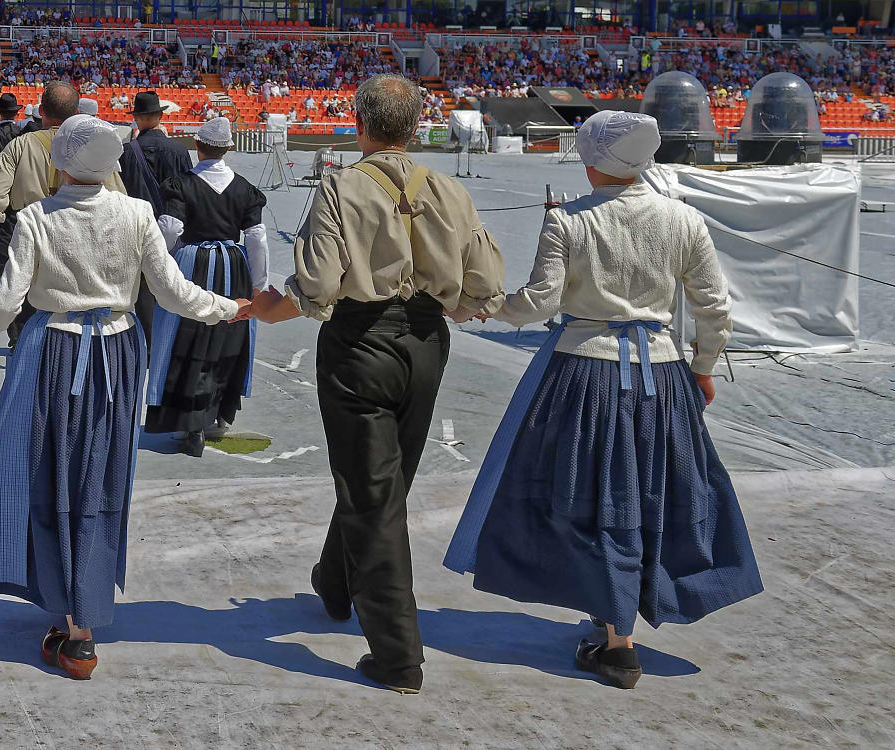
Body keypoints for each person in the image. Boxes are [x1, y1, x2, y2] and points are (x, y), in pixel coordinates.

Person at [442, 109, 761, 690]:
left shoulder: (568, 220)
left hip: (584, 375)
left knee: (590, 496)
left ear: (592, 162)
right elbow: (714, 309)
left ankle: (617, 646)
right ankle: (624, 611)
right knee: (651, 491)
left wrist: (481, 306)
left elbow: (540, 303)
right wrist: (704, 368)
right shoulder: (685, 219)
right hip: (661, 376)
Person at [0, 115, 248, 678]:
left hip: (54, 349)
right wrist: (230, 307)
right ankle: (84, 616)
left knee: (50, 471)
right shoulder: (136, 213)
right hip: (117, 352)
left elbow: (7, 300)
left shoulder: (37, 216)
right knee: (101, 476)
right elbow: (173, 291)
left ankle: (67, 613)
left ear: (59, 162)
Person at [252, 75, 505, 694]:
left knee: (372, 490)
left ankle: (397, 655)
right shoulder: (448, 189)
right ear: (416, 128)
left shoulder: (341, 186)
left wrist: (264, 310)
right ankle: (336, 582)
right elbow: (483, 284)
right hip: (426, 343)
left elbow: (317, 284)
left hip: (360, 342)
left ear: (360, 126)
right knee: (384, 482)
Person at [146, 116, 267, 456]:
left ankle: (190, 423)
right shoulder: (245, 188)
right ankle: (221, 412)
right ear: (228, 148)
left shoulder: (181, 184)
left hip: (194, 264)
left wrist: (161, 260)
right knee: (230, 334)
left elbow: (170, 228)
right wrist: (258, 284)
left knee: (186, 336)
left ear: (197, 146)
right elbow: (257, 238)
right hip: (234, 264)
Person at [0, 82, 121, 295]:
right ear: (77, 112)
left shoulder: (20, 145)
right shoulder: (92, 145)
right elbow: (116, 195)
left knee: (20, 301)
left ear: (41, 111)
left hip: (27, 232)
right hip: (79, 233)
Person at [130, 90, 191, 191]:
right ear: (161, 115)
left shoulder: (127, 151)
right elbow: (188, 187)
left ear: (135, 117)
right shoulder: (179, 150)